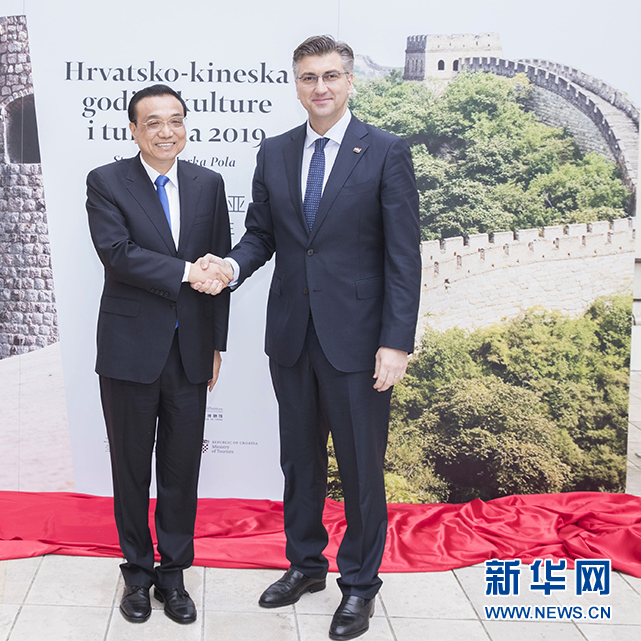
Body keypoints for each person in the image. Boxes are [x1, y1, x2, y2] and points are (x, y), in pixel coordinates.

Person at [196, 36, 420, 640]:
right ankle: (305, 564)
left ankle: (360, 585)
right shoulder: (275, 152)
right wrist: (231, 267)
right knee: (299, 461)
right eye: (308, 77)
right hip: (292, 335)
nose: (319, 87)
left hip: (360, 342)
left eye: (330, 76)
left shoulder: (386, 151)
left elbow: (404, 256)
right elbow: (261, 235)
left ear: (349, 81)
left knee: (361, 467)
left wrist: (396, 342)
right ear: (296, 85)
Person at [86, 84, 231, 625]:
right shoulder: (106, 181)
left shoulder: (208, 184)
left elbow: (220, 267)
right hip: (129, 350)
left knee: (180, 468)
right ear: (133, 130)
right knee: (130, 468)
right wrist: (186, 272)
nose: (166, 131)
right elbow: (117, 254)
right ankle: (137, 574)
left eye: (176, 120)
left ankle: (173, 576)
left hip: (190, 351)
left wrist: (216, 343)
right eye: (153, 122)